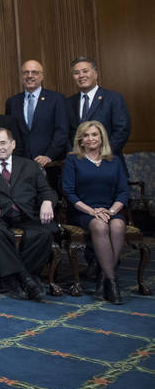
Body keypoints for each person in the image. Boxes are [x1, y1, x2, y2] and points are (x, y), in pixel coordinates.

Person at [0, 127, 58, 301]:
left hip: (26, 214)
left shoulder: (30, 165)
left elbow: (47, 191)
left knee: (44, 232)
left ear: (13, 144)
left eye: (3, 143)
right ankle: (27, 279)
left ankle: (14, 277)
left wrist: (47, 201)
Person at [62, 121, 129, 304]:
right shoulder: (73, 160)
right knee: (100, 226)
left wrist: (111, 211)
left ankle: (104, 278)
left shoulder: (114, 160)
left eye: (94, 135)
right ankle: (112, 283)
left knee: (118, 225)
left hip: (110, 210)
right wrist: (92, 211)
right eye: (86, 135)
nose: (90, 138)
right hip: (83, 211)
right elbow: (68, 192)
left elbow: (123, 191)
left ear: (101, 138)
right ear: (80, 140)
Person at [4, 60, 69, 169]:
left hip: (50, 164)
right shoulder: (12, 102)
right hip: (20, 164)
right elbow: (10, 133)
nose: (30, 76)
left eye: (34, 72)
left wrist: (49, 155)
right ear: (21, 76)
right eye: (26, 72)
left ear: (42, 76)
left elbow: (62, 131)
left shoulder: (56, 99)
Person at [66, 56, 131, 160]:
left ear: (96, 74)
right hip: (78, 161)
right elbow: (65, 132)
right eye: (76, 73)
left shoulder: (113, 98)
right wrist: (73, 153)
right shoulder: (68, 102)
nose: (81, 75)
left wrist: (102, 154)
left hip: (107, 159)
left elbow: (122, 130)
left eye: (85, 71)